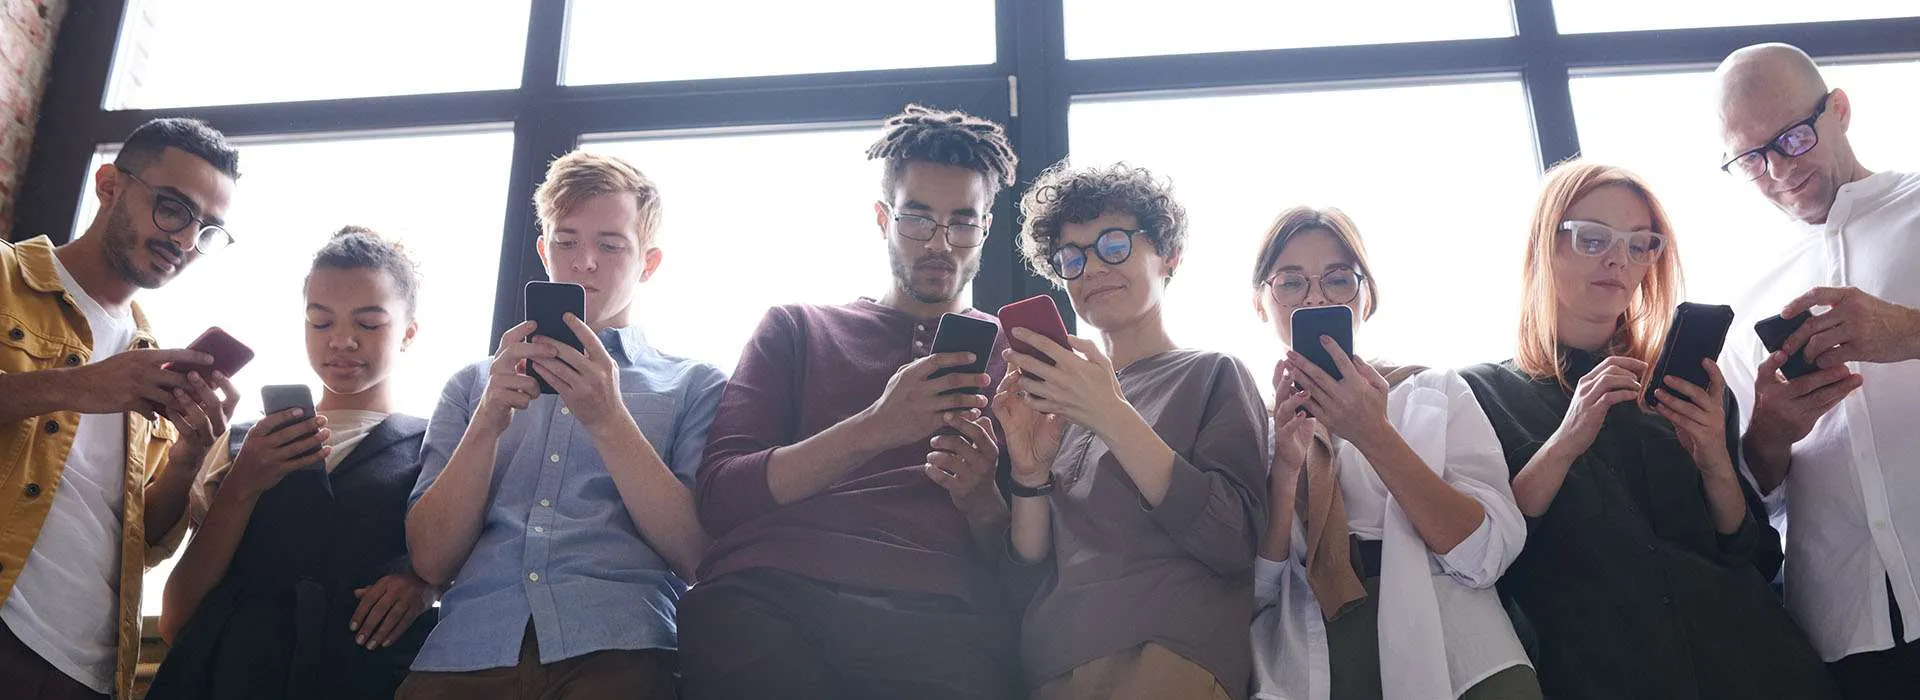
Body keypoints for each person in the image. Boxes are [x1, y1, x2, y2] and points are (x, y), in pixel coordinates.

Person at [678, 104, 1021, 700]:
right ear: (883, 217)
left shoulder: (1016, 358)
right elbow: (721, 498)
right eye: (918, 218)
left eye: (962, 222)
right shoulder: (795, 328)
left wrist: (981, 499)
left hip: (941, 615)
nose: (940, 243)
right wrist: (874, 428)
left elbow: (1029, 555)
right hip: (771, 596)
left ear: (985, 228)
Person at [1459, 160, 1837, 699]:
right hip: (1609, 676)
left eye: (1641, 244)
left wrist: (1713, 461)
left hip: (1760, 665)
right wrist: (1567, 440)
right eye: (1592, 239)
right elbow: (1486, 553)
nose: (1619, 259)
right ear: (1545, 245)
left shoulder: (1694, 386)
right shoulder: (1479, 395)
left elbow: (1755, 556)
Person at [399, 151, 724, 699]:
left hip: (621, 646)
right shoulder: (473, 384)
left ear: (649, 262)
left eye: (611, 244)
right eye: (567, 241)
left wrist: (609, 418)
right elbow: (430, 559)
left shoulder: (694, 385)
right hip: (465, 650)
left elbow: (697, 554)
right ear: (544, 250)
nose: (585, 262)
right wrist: (486, 424)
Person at [997, 162, 1267, 700]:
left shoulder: (1212, 373)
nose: (1091, 267)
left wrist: (1112, 415)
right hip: (1052, 664)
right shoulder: (1061, 403)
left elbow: (1233, 541)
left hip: (1168, 651)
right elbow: (1030, 570)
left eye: (1113, 244)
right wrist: (1028, 474)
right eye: (1071, 258)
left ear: (1168, 255)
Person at [1249, 207, 1538, 700]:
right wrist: (1284, 470)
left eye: (1338, 280)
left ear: (1366, 298)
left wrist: (1374, 433)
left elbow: (1489, 550)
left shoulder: (1431, 390)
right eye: (1291, 282)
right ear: (1261, 303)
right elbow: (1258, 590)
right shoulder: (1254, 422)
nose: (1316, 295)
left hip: (1458, 651)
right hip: (1312, 656)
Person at [0, 118, 242, 700]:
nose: (185, 241)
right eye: (173, 209)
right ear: (109, 184)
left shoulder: (152, 365)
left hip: (93, 672)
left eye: (207, 229)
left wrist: (188, 457)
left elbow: (148, 543)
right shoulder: (6, 277)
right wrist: (75, 387)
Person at [146, 226, 438, 699]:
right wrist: (243, 485)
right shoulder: (241, 443)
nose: (341, 340)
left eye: (368, 324)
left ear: (408, 333)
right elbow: (177, 617)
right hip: (228, 678)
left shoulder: (435, 449)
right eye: (321, 322)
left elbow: (458, 566)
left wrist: (423, 582)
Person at [1714, 43, 1920, 699]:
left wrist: (1906, 331)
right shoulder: (1748, 297)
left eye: (1793, 139)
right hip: (1844, 630)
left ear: (1840, 111)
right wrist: (1770, 433)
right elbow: (1756, 494)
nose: (1779, 170)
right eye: (1752, 158)